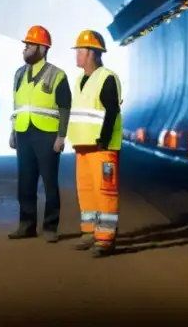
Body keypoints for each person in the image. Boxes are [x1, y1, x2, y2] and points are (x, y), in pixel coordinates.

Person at [8, 25, 71, 242]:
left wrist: (62, 136)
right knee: (25, 182)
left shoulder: (57, 75)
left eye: (29, 45)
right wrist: (13, 131)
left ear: (42, 49)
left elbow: (64, 108)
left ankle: (50, 228)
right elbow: (16, 105)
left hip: (47, 135)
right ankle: (26, 225)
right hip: (24, 131)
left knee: (49, 182)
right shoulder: (18, 74)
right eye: (25, 45)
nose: (24, 49)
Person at [67, 30, 123, 257]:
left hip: (103, 149)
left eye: (79, 51)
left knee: (105, 193)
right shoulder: (80, 80)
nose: (76, 55)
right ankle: (89, 232)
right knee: (86, 191)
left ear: (90, 53)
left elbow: (112, 111)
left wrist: (104, 140)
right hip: (82, 148)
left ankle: (106, 239)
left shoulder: (107, 77)